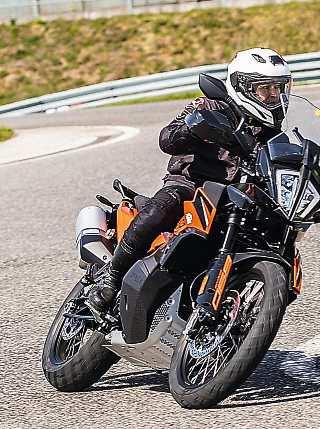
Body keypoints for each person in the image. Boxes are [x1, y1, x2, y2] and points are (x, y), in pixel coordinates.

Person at [87, 47, 294, 317]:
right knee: (160, 209)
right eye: (265, 88)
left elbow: (287, 169)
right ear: (242, 86)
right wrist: (192, 128)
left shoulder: (273, 136)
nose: (274, 96)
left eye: (279, 88)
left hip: (237, 199)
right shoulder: (210, 107)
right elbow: (167, 138)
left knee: (279, 242)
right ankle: (111, 279)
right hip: (191, 185)